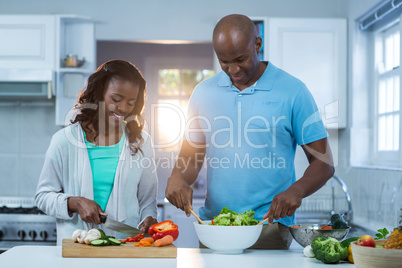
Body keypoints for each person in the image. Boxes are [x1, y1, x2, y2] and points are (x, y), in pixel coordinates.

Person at [165, 14, 335, 249]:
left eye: (240, 59)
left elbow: (324, 163)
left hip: (269, 228)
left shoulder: (294, 91)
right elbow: (190, 158)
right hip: (214, 227)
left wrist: (296, 191)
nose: (232, 69)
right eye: (224, 61)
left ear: (258, 44)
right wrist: (177, 178)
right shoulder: (203, 93)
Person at [35, 59, 158, 245]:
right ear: (99, 93)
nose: (123, 108)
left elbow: (148, 202)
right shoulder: (63, 141)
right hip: (77, 247)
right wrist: (75, 202)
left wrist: (148, 219)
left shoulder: (141, 143)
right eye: (116, 99)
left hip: (127, 246)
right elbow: (43, 196)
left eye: (131, 103)